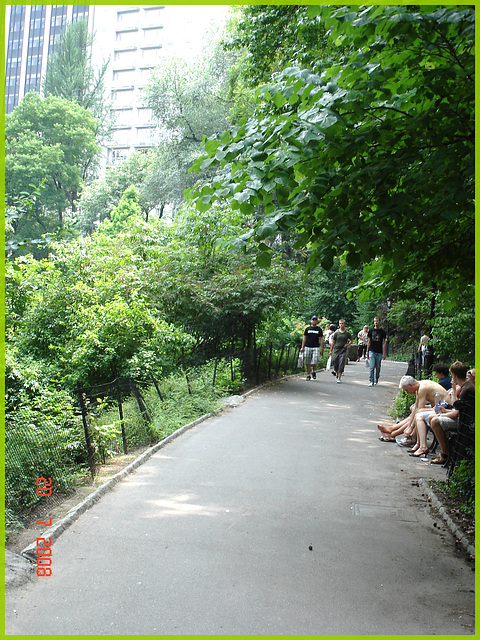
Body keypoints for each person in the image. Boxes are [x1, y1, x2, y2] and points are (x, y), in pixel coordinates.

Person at [377, 376, 449, 446]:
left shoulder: (422, 388)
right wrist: (409, 426)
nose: (407, 393)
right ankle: (391, 429)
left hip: (446, 408)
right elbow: (416, 408)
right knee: (414, 409)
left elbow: (420, 410)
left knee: (418, 413)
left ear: (410, 385)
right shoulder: (420, 386)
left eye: (407, 390)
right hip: (438, 407)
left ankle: (393, 434)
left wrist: (410, 427)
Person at [427, 361, 475, 465]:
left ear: (454, 375)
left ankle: (445, 454)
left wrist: (441, 414)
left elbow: (455, 412)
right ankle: (445, 451)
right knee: (432, 417)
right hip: (463, 419)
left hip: (465, 423)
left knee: (435, 420)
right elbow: (456, 407)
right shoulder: (465, 387)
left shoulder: (466, 389)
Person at [300, 315, 324, 381]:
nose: (314, 321)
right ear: (311, 321)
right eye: (313, 320)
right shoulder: (307, 329)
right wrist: (302, 347)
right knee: (307, 361)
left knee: (315, 360)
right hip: (308, 346)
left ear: (317, 321)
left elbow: (321, 339)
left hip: (316, 347)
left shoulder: (319, 329)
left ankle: (313, 370)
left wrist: (322, 348)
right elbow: (304, 338)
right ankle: (308, 374)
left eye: (315, 320)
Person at [329, 319, 353, 383]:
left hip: (343, 350)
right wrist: (331, 350)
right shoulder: (336, 333)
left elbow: (351, 340)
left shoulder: (347, 333)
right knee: (335, 363)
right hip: (336, 350)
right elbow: (333, 342)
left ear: (344, 324)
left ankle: (339, 378)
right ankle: (336, 373)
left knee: (341, 363)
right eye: (340, 323)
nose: (341, 325)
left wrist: (347, 345)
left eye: (342, 323)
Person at [367, 316, 387, 386]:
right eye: (375, 321)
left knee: (378, 367)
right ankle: (371, 380)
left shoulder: (383, 332)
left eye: (377, 321)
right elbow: (369, 341)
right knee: (371, 367)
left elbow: (384, 343)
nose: (376, 322)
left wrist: (384, 353)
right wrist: (367, 351)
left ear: (379, 322)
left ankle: (376, 378)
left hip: (379, 351)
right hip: (371, 350)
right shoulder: (371, 331)